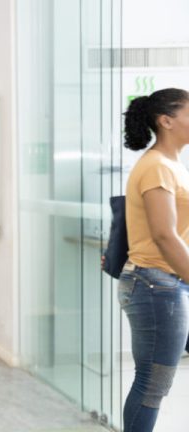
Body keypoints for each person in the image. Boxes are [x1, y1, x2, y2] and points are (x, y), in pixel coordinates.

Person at [117, 88, 189, 432]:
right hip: (156, 285)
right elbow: (164, 235)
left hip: (169, 283)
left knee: (153, 381)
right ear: (167, 121)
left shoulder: (172, 165)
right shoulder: (157, 167)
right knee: (152, 383)